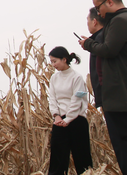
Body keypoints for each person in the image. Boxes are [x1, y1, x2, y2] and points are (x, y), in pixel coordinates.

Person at [79, 0, 127, 175]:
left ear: (109, 2)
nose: (98, 12)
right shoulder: (125, 20)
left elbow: (109, 49)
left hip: (125, 94)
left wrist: (89, 44)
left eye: (98, 7)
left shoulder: (121, 21)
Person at [47, 46, 92, 175]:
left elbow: (76, 100)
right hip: (59, 121)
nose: (53, 64)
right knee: (57, 159)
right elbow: (52, 98)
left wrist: (68, 119)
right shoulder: (54, 78)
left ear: (64, 59)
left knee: (82, 157)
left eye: (55, 61)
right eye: (51, 61)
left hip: (77, 120)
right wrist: (56, 116)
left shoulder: (76, 78)